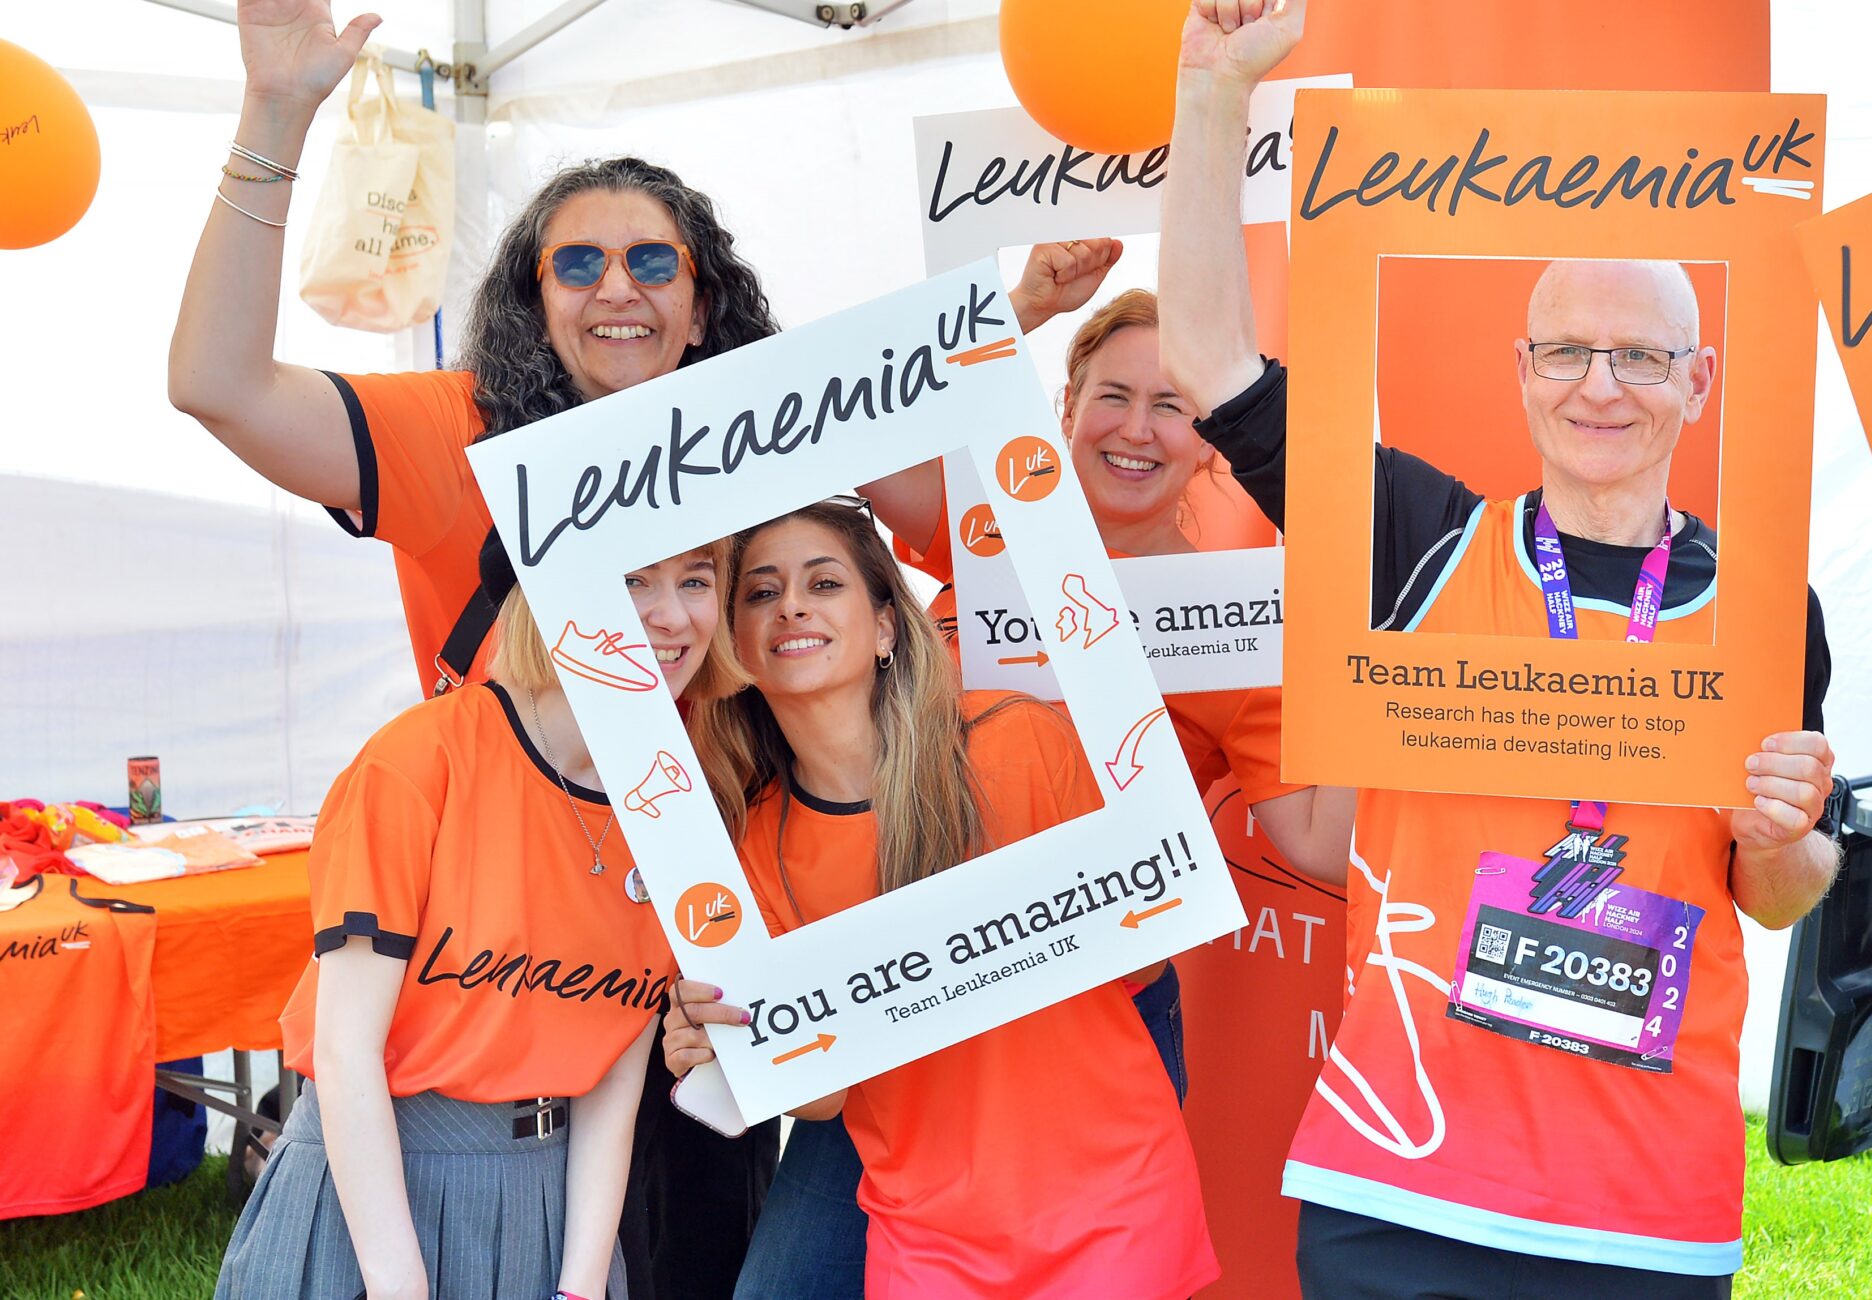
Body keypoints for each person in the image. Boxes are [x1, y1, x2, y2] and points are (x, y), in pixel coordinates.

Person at [1159, 3, 1841, 1292]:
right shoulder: (1415, 539)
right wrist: (1211, 90)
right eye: (1571, 352)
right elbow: (1207, 355)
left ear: (1700, 381)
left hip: (1644, 1201)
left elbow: (1779, 892)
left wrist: (1784, 839)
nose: (1602, 386)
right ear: (1522, 370)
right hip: (1401, 1172)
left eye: (1640, 356)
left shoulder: (1766, 603)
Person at [166, 6, 786, 1289]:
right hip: (494, 981)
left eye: (653, 263)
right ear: (531, 298)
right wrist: (274, 120)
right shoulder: (461, 437)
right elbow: (216, 383)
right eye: (576, 266)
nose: (618, 287)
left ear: (703, 297)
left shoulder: (766, 450)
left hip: (697, 968)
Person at [657, 499, 1220, 1298]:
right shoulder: (749, 857)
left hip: (1109, 1201)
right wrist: (737, 1059)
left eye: (824, 582)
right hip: (926, 1234)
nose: (791, 605)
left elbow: (1142, 958)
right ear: (738, 646)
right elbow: (824, 1099)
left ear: (886, 626)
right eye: (759, 592)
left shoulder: (1018, 739)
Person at [212, 536, 744, 1300]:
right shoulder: (418, 762)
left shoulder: (679, 806)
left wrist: (583, 1284)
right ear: (554, 592)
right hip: (375, 1196)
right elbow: (346, 1049)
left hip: (550, 1200)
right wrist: (400, 1287)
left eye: (696, 580)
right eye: (633, 580)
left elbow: (613, 1073)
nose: (671, 615)